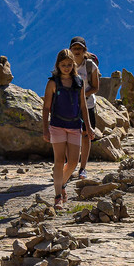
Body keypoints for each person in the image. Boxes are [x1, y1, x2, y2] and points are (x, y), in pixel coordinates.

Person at [41, 48, 91, 210]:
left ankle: (61, 183)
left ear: (73, 65)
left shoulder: (79, 82)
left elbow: (83, 106)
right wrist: (45, 129)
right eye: (63, 65)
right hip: (57, 126)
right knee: (59, 160)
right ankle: (57, 196)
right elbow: (46, 107)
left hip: (75, 125)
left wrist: (88, 127)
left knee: (73, 162)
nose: (67, 67)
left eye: (69, 64)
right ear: (58, 65)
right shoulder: (53, 83)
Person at [67, 36, 101, 178]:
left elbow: (95, 87)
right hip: (70, 105)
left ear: (84, 50)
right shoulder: (66, 65)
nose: (77, 51)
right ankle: (70, 166)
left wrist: (81, 95)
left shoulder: (90, 66)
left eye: (79, 48)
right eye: (74, 48)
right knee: (70, 136)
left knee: (86, 135)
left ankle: (83, 168)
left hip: (87, 105)